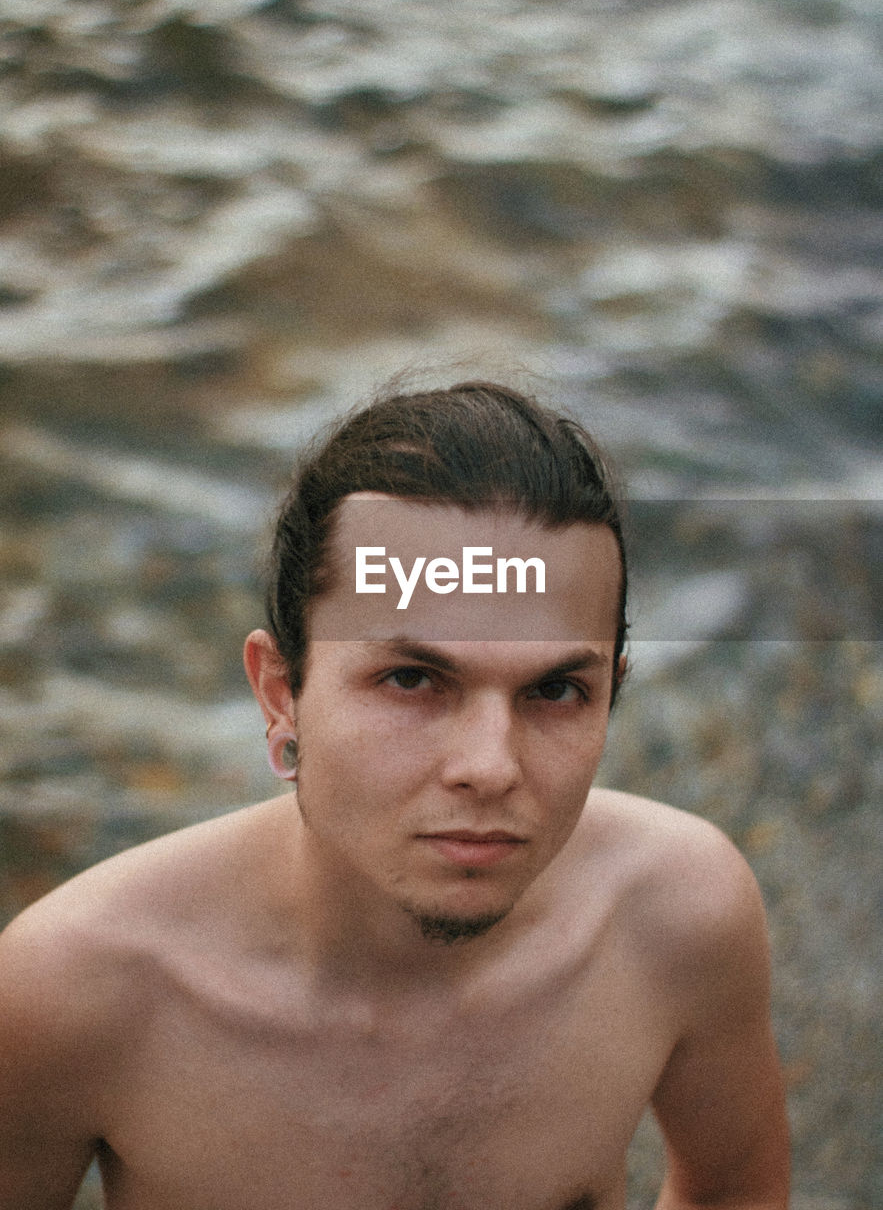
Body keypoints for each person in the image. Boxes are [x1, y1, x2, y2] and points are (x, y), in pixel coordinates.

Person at [0, 381, 790, 1210]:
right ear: (281, 692)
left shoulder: (678, 913)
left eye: (555, 691)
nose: (490, 767)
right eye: (412, 679)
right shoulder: (77, 996)